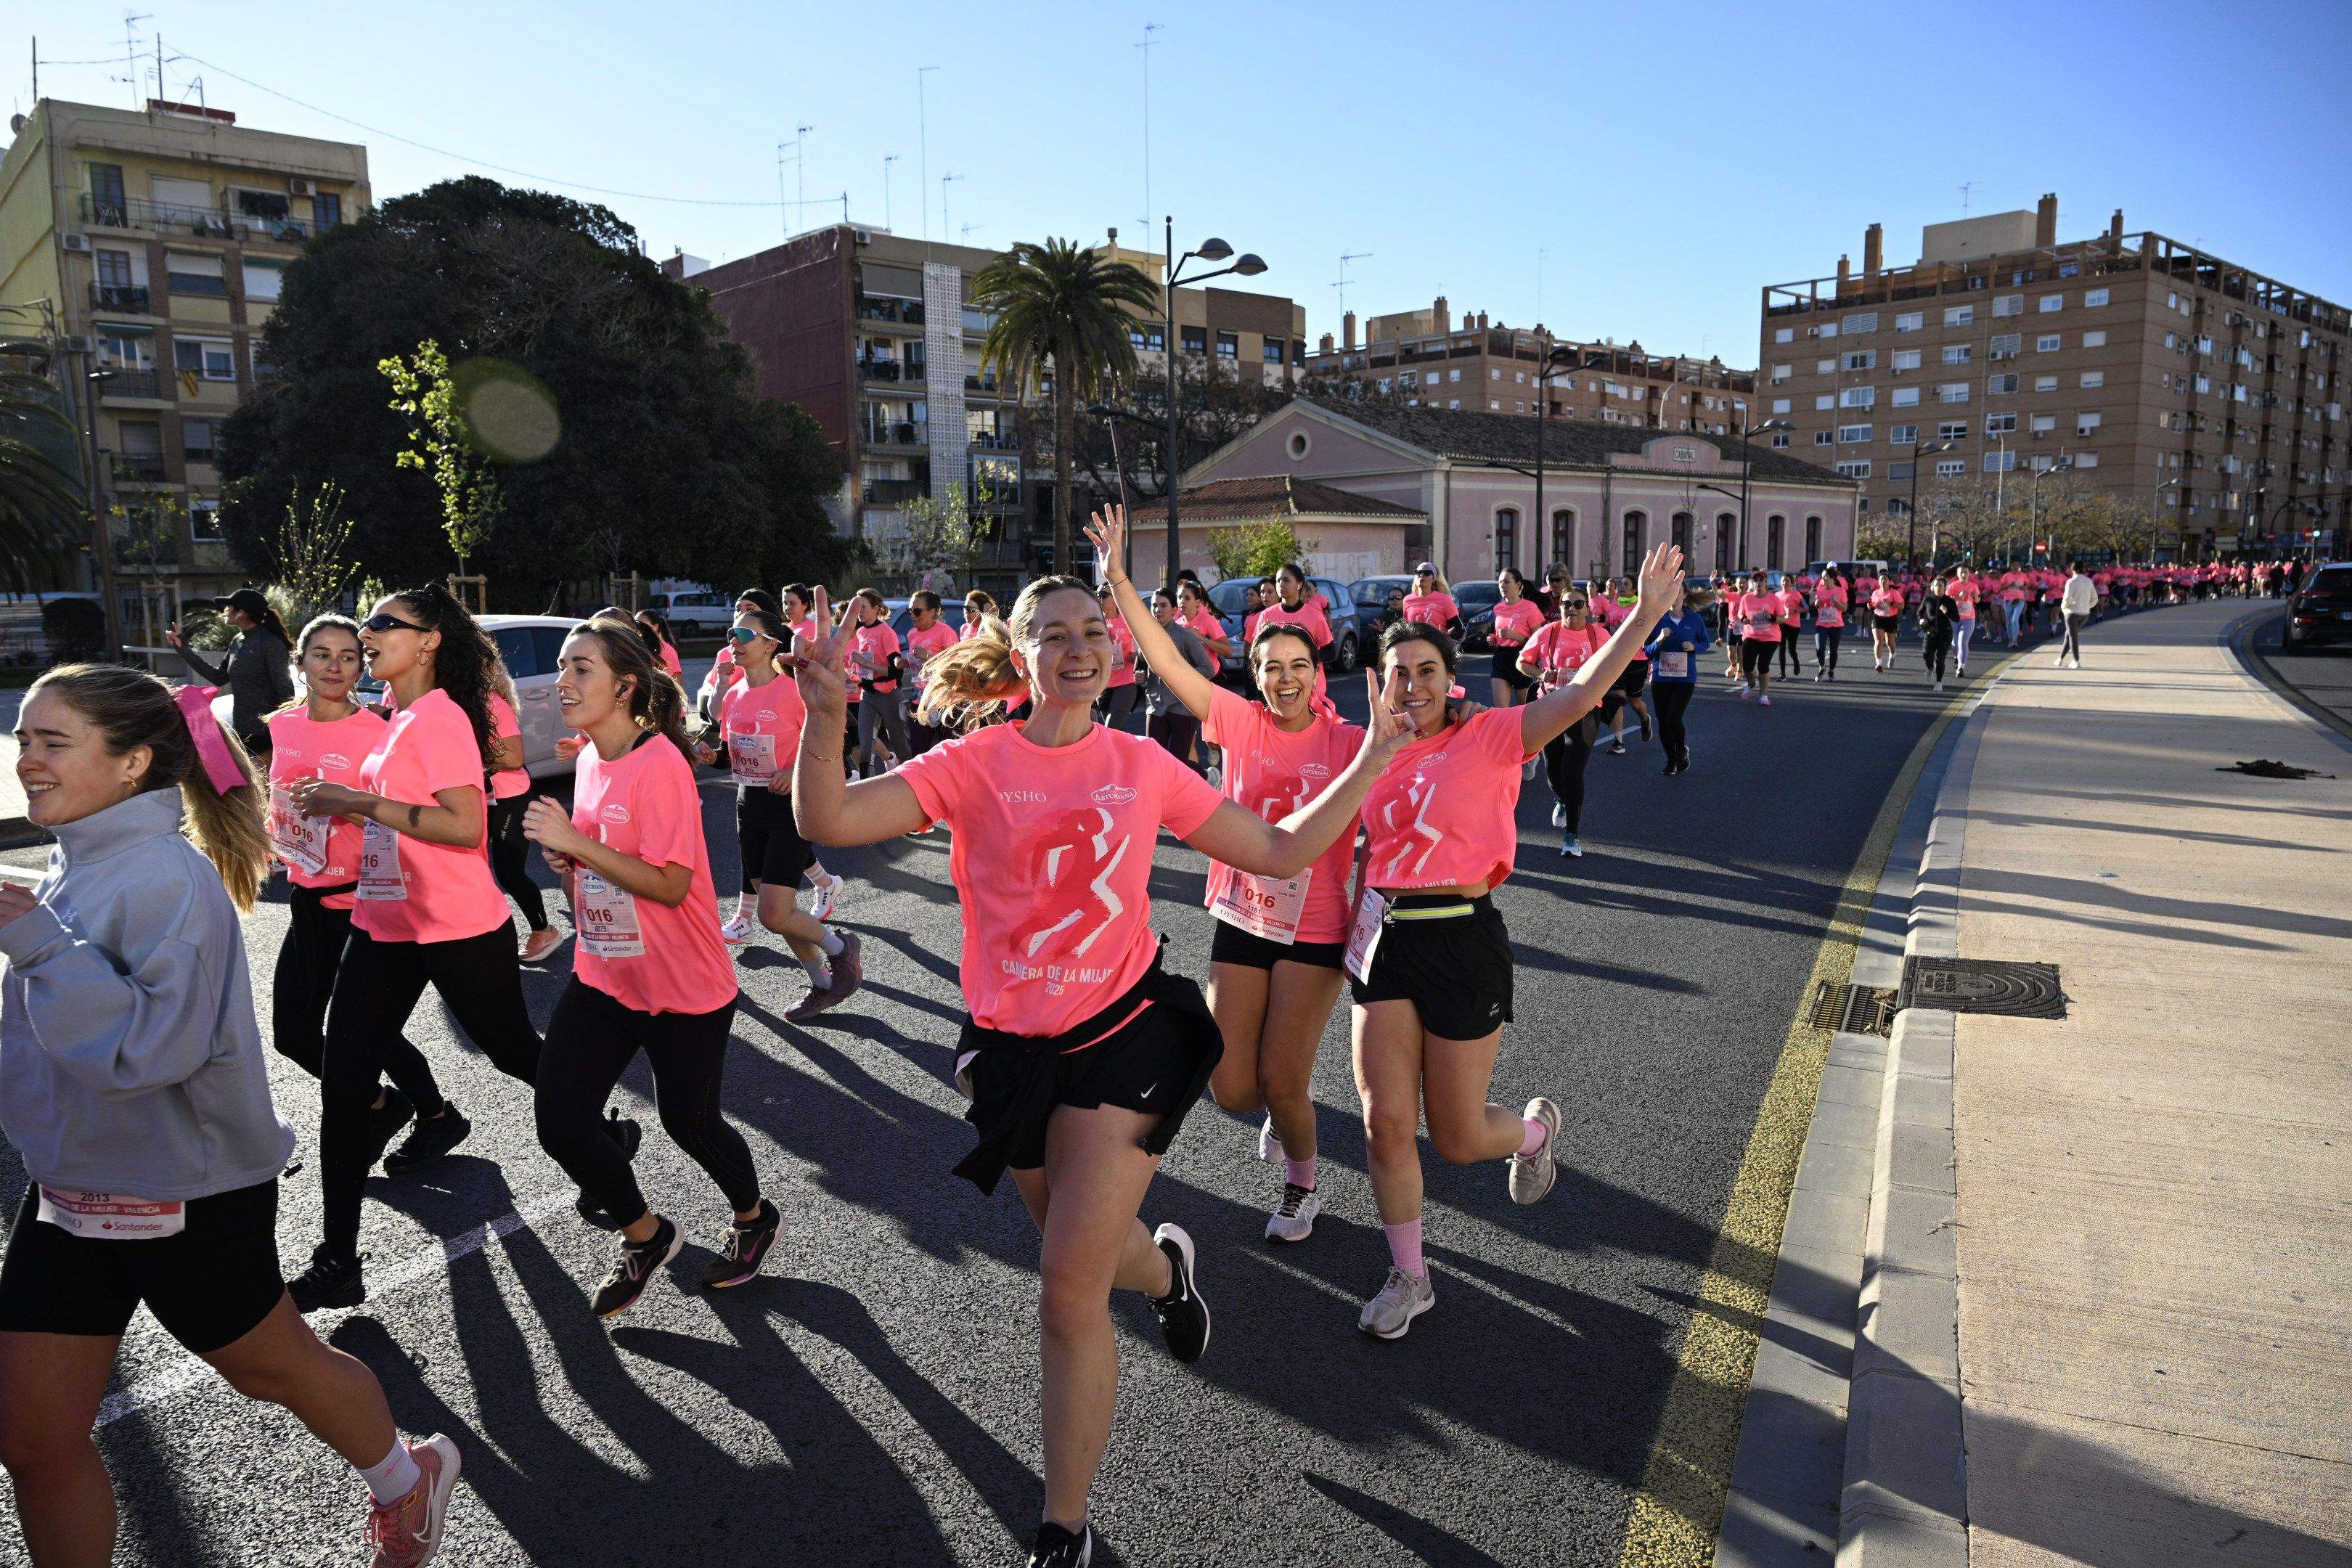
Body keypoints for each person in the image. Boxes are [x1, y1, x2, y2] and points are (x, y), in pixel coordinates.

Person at [789, 573, 1408, 1568]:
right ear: (1023, 654)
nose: (1081, 650)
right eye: (1058, 635)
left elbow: (1283, 850)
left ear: (1116, 653)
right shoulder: (975, 762)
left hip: (1124, 1041)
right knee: (1098, 1254)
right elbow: (828, 818)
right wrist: (824, 716)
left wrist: (1375, 752)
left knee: (1065, 1291)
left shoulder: (1143, 764)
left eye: (1096, 633)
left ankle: (1062, 1532)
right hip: (1010, 1052)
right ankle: (1168, 1271)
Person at [1, 663, 461, 1567]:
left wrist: (41, 947)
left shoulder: (167, 880)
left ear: (132, 762)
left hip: (188, 1197)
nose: (28, 761)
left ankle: (410, 1477)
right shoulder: (72, 865)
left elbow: (149, 1053)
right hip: (74, 1193)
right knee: (33, 1440)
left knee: (269, 1367)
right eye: (24, 740)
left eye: (53, 742)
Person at [1352, 542, 1683, 1341]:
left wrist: (1641, 614)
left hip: (1464, 940)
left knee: (1459, 1139)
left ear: (1450, 677)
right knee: (1385, 1124)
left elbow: (1578, 695)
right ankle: (1410, 1277)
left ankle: (1535, 1133)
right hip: (1384, 940)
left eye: (1426, 670)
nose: (1413, 685)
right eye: (1398, 672)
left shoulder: (1494, 734)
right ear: (1380, 682)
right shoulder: (1365, 750)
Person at [284, 586, 587, 1312]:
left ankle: (596, 1131)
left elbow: (460, 826)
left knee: (516, 1051)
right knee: (343, 1080)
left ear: (428, 642)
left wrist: (355, 803)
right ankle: (337, 1260)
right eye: (369, 623)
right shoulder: (396, 714)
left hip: (456, 926)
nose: (369, 632)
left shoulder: (444, 716)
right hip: (386, 925)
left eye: (385, 623)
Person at [1088, 510, 1361, 1244]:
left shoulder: (1348, 742)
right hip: (1243, 916)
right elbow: (1171, 667)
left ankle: (1303, 1183)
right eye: (1271, 666)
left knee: (1284, 1080)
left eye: (1298, 666)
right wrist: (1118, 583)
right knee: (1230, 1084)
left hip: (1317, 926)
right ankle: (1278, 1111)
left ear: (1317, 673)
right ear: (1256, 672)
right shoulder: (1240, 723)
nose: (1284, 678)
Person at [523, 619, 781, 1317]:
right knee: (561, 1121)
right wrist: (571, 859)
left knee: (688, 1124)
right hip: (607, 973)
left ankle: (754, 1218)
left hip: (682, 984)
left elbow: (669, 884)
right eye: (561, 668)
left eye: (580, 669)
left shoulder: (660, 763)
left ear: (625, 685)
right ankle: (647, 1234)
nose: (563, 683)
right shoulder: (588, 762)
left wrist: (577, 842)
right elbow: (607, 862)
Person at [266, 616, 446, 1164]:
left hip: (362, 904)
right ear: (299, 661)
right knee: (293, 1034)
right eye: (322, 654)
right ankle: (383, 1103)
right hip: (306, 899)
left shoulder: (379, 732)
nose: (336, 667)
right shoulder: (280, 725)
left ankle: (433, 1115)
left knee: (370, 1032)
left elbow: (411, 818)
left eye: (348, 656)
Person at [703, 608, 862, 1022]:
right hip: (748, 807)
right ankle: (824, 985)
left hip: (790, 811)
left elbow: (835, 750)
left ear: (773, 643)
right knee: (781, 912)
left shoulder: (794, 692)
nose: (733, 640)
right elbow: (730, 759)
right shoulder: (735, 696)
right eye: (731, 633)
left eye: (744, 634)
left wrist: (793, 774)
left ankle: (842, 949)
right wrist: (710, 756)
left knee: (774, 914)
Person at [1519, 588, 1613, 856]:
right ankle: (1561, 798)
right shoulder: (1548, 633)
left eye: (1578, 604)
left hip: (1586, 708)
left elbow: (1616, 663)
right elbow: (1522, 662)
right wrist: (1542, 673)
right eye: (1566, 604)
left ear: (1587, 609)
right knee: (1553, 773)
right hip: (1551, 705)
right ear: (1560, 607)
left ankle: (1571, 836)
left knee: (1573, 771)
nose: (1571, 608)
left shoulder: (1599, 635)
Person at [166, 587, 295, 756]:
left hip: (266, 732)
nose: (225, 611)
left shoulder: (270, 642)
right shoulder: (237, 640)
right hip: (242, 728)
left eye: (229, 607)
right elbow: (218, 677)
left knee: (264, 782)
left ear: (242, 613)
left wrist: (290, 730)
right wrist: (182, 648)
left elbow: (285, 688)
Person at [1140, 587, 1217, 776]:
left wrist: (1179, 675)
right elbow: (1141, 668)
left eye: (1163, 605)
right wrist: (1140, 677)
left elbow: (1209, 669)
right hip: (1155, 706)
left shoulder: (1185, 637)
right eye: (1154, 606)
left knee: (1178, 763)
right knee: (1156, 759)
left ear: (1174, 609)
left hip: (1182, 706)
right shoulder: (1145, 636)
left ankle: (1206, 776)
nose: (1158, 610)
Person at [1646, 585, 1713, 775]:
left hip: (1685, 678)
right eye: (1668, 592)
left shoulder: (1695, 619)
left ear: (1684, 595)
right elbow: (1647, 651)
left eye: (1676, 592)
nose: (1672, 596)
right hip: (1661, 677)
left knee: (1673, 718)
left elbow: (1705, 642)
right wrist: (1659, 640)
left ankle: (1681, 750)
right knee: (1663, 722)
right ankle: (1671, 758)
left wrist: (1694, 647)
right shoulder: (1657, 619)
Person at [846, 588, 911, 779]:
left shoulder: (886, 632)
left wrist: (866, 663)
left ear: (876, 609)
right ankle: (867, 786)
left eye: (864, 607)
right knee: (865, 744)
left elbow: (896, 671)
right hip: (868, 695)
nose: (860, 612)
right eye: (858, 608)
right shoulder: (860, 632)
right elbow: (863, 670)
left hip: (889, 694)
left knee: (899, 744)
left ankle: (911, 780)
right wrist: (854, 676)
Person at [903, 590, 963, 751]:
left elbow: (955, 666)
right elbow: (919, 667)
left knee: (950, 752)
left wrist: (929, 656)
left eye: (917, 611)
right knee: (918, 753)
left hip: (944, 701)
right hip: (920, 700)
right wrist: (904, 663)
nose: (913, 615)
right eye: (910, 611)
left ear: (932, 612)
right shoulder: (912, 634)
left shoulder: (945, 632)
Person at [1093, 583, 1143, 733]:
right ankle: (1127, 755)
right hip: (1103, 682)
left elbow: (1146, 644)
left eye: (1103, 595)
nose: (1099, 598)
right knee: (1116, 731)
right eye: (1097, 595)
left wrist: (1138, 657)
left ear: (1115, 598)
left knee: (1110, 727)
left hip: (1126, 681)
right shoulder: (1096, 622)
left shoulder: (1128, 620)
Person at [1735, 571, 1784, 704]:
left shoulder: (1774, 599)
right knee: (1748, 666)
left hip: (1770, 637)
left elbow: (1782, 619)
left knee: (1763, 666)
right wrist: (1744, 619)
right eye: (1755, 580)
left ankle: (1763, 694)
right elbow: (1740, 614)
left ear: (1766, 582)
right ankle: (1751, 684)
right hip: (1751, 636)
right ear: (1752, 583)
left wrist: (1771, 617)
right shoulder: (1747, 598)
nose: (1758, 583)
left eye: (1761, 580)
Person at [1919, 577, 1959, 693]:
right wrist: (1922, 621)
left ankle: (1938, 682)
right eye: (1936, 585)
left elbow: (1956, 619)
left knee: (1940, 658)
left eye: (1941, 585)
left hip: (1945, 633)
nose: (1938, 587)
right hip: (1930, 632)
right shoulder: (1928, 600)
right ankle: (1930, 668)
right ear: (1932, 587)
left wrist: (1947, 612)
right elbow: (1920, 613)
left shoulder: (1950, 601)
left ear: (1945, 588)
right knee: (1927, 654)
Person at [2057, 561, 2096, 669]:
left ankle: (2076, 660)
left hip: (2072, 612)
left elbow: (2066, 598)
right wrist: (2088, 606)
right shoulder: (2089, 581)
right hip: (2085, 613)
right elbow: (2095, 598)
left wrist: (2064, 608)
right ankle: (2060, 659)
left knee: (2072, 636)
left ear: (2072, 570)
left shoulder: (2071, 581)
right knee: (2069, 634)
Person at [1812, 568, 1848, 682]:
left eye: (1825, 576)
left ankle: (1831, 671)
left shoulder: (1840, 591)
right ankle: (1822, 668)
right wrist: (1817, 604)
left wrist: (1837, 601)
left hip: (1836, 625)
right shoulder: (1820, 590)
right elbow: (1816, 606)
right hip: (1822, 624)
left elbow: (1845, 608)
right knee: (1820, 648)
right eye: (1822, 577)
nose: (1823, 579)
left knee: (1833, 651)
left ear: (1832, 578)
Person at [1401, 563, 1459, 634]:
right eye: (1418, 572)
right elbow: (1405, 628)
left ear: (1433, 579)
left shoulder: (1445, 599)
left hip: (1437, 643)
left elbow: (1459, 630)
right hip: (1415, 644)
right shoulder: (1407, 600)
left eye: (1427, 573)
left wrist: (1447, 636)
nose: (1422, 575)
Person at [634, 608, 686, 681]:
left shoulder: (666, 650)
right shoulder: (637, 647)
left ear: (655, 627)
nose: (636, 628)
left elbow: (677, 683)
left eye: (641, 624)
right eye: (635, 624)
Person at [1947, 566, 1981, 676]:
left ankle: (1961, 667)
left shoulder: (1974, 586)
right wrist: (1958, 597)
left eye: (1966, 572)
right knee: (1954, 644)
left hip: (1969, 618)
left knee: (1962, 642)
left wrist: (1976, 597)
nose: (1964, 574)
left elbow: (1977, 600)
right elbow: (1946, 601)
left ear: (1969, 574)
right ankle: (1957, 657)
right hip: (1955, 618)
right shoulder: (1953, 586)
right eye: (1961, 572)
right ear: (1958, 574)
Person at [1867, 575, 1906, 671]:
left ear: (1889, 582)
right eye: (1881, 579)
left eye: (1886, 579)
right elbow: (1872, 604)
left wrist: (1891, 603)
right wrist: (1870, 605)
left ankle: (1892, 655)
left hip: (1891, 618)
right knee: (1879, 641)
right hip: (1878, 618)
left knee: (1889, 642)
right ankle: (1879, 664)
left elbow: (1902, 606)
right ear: (1879, 582)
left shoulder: (1894, 593)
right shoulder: (1876, 593)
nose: (1884, 581)